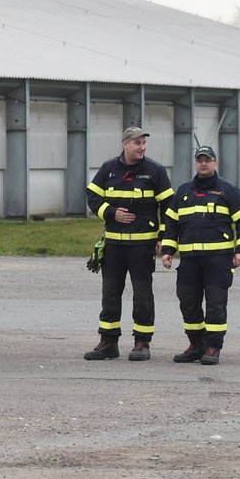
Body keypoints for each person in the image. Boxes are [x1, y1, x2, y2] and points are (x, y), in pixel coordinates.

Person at [84, 126, 173, 361]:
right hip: (113, 246)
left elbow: (169, 207)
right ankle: (108, 342)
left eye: (144, 143)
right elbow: (92, 197)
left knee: (142, 295)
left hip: (142, 247)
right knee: (110, 293)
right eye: (137, 143)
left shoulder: (155, 171)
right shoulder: (109, 169)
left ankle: (142, 342)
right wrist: (112, 213)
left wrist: (163, 237)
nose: (142, 147)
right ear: (125, 144)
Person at [161, 146, 240, 365]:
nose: (203, 164)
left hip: (218, 260)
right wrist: (168, 251)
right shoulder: (183, 192)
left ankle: (213, 346)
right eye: (200, 160)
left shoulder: (228, 191)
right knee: (187, 302)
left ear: (215, 163)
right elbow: (171, 224)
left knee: (215, 304)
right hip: (190, 261)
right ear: (195, 163)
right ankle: (196, 344)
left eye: (208, 160)